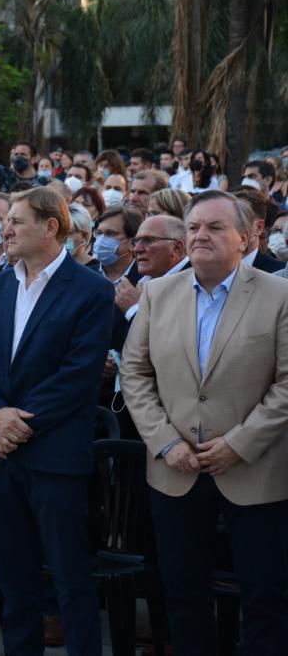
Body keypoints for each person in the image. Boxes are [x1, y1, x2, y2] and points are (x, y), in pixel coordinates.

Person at [120, 190, 288, 656]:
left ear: (246, 235)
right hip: (175, 470)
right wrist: (164, 441)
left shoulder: (279, 295)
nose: (201, 236)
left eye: (214, 228)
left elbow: (286, 385)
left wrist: (240, 443)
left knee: (265, 596)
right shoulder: (157, 293)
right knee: (183, 594)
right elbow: (134, 373)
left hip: (256, 471)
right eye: (194, 227)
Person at [0, 187, 114, 655]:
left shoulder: (91, 288)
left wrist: (17, 423)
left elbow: (79, 373)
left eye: (15, 221)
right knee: (15, 579)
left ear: (51, 227)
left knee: (70, 578)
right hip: (1, 455)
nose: (3, 229)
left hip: (54, 455)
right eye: (4, 220)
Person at [113, 214, 188, 324]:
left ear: (177, 248)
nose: (137, 249)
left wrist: (135, 310)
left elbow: (174, 337)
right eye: (136, 241)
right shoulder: (132, 284)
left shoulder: (198, 284)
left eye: (148, 240)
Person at [93, 209, 140, 286]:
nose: (101, 239)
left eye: (110, 233)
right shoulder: (84, 276)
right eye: (99, 233)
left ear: (133, 243)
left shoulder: (147, 278)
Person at [67, 203, 98, 269]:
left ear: (84, 236)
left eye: (68, 233)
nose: (60, 238)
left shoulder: (97, 271)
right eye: (58, 232)